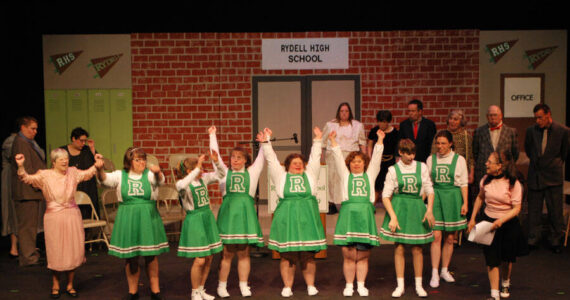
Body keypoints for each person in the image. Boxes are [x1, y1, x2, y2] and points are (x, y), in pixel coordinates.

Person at [16, 148, 104, 298]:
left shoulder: (73, 172)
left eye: (66, 158)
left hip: (71, 215)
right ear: (54, 162)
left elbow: (88, 173)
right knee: (56, 250)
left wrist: (97, 164)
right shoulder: (45, 175)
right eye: (61, 159)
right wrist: (20, 166)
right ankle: (55, 284)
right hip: (54, 217)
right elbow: (27, 178)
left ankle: (70, 285)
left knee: (72, 250)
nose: (65, 161)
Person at [262, 126, 326, 297]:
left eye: (300, 163)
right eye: (294, 163)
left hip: (307, 217)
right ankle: (287, 286)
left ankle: (310, 285)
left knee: (307, 254)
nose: (298, 165)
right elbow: (271, 160)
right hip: (287, 218)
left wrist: (318, 140)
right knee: (288, 255)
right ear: (288, 166)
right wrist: (267, 142)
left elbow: (315, 157)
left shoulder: (311, 174)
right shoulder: (280, 176)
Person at [98, 147, 169, 300]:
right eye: (138, 159)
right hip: (128, 216)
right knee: (131, 256)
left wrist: (157, 172)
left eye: (144, 159)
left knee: (151, 255)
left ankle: (155, 291)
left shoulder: (149, 175)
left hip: (147, 217)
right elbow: (104, 180)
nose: (142, 162)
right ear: (129, 161)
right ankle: (133, 291)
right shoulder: (120, 175)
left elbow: (160, 181)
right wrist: (99, 169)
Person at [210, 128, 265, 298]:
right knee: (227, 253)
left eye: (239, 157)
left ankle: (243, 284)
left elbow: (261, 159)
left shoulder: (252, 173)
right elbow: (215, 158)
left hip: (245, 216)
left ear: (246, 160)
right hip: (229, 216)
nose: (235, 160)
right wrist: (212, 136)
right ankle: (222, 285)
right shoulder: (224, 173)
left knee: (243, 252)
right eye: (233, 157)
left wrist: (264, 142)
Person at [329, 128, 384, 297]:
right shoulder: (345, 175)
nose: (356, 164)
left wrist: (380, 141)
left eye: (359, 161)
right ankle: (348, 285)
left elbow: (376, 159)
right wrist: (332, 141)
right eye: (353, 161)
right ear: (349, 164)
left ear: (364, 164)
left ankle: (361, 285)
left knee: (363, 256)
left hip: (364, 216)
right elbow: (338, 158)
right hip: (348, 216)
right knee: (349, 254)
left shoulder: (370, 175)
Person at [467, 151, 528, 300]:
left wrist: (501, 220)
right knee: (492, 258)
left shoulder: (513, 183)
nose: (486, 164)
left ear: (499, 166)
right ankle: (494, 294)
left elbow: (517, 208)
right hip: (489, 222)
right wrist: (473, 218)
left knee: (506, 258)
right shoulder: (486, 180)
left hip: (507, 223)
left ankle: (505, 282)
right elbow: (480, 198)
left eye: (489, 162)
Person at [379, 139, 435, 298]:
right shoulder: (393, 170)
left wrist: (429, 209)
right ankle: (400, 285)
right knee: (400, 247)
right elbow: (385, 196)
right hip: (400, 208)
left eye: (413, 153)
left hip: (416, 207)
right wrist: (393, 217)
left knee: (418, 248)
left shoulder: (422, 167)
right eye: (408, 153)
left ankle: (418, 285)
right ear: (401, 153)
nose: (411, 157)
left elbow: (429, 190)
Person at [176, 127, 225, 300]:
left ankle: (202, 288)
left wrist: (217, 161)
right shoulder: (183, 184)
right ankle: (194, 290)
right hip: (195, 220)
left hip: (207, 217)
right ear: (190, 171)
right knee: (200, 259)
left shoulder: (203, 179)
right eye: (198, 168)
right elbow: (182, 185)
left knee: (210, 257)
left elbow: (221, 174)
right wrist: (197, 168)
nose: (202, 170)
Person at [426, 130, 468, 288]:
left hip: (452, 198)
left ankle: (445, 269)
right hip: (436, 197)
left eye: (443, 143)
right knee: (436, 236)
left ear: (451, 143)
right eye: (438, 143)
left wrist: (465, 203)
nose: (440, 146)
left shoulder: (459, 160)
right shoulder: (431, 159)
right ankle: (435, 272)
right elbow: (427, 182)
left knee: (450, 238)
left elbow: (464, 183)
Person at [525, 104, 569, 254]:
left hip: (553, 176)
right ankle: (533, 239)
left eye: (540, 117)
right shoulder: (531, 131)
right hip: (536, 175)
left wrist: (552, 164)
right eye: (536, 117)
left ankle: (556, 240)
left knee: (555, 211)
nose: (538, 121)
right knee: (534, 211)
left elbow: (564, 153)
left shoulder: (563, 131)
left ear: (548, 114)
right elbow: (529, 150)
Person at [11, 116, 46, 267]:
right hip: (26, 191)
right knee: (27, 226)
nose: (35, 131)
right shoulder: (21, 143)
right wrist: (39, 183)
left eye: (36, 129)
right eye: (32, 128)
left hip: (30, 192)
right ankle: (28, 258)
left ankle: (30, 254)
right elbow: (27, 168)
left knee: (31, 225)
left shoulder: (26, 142)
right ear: (23, 128)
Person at [322, 102, 367, 214]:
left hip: (350, 156)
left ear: (350, 112)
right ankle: (331, 203)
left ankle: (347, 202)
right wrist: (321, 157)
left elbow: (362, 143)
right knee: (332, 179)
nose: (344, 113)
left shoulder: (357, 125)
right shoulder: (330, 125)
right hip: (333, 156)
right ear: (338, 112)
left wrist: (365, 158)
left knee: (347, 179)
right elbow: (323, 142)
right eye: (342, 111)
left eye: (346, 111)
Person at [472, 105, 519, 207]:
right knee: (483, 202)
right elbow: (475, 153)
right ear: (486, 116)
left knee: (503, 201)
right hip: (484, 172)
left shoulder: (511, 132)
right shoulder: (479, 132)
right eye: (490, 115)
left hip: (504, 174)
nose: (492, 117)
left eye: (495, 115)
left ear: (501, 116)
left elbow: (515, 154)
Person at [60, 127, 99, 219]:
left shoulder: (87, 149)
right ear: (73, 139)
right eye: (81, 140)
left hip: (88, 186)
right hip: (71, 186)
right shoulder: (63, 151)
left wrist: (92, 149)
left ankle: (90, 233)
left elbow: (98, 162)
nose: (83, 143)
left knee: (88, 213)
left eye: (85, 141)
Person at [367, 110, 399, 205]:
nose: (381, 124)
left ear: (388, 121)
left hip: (390, 161)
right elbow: (369, 145)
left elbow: (397, 148)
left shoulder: (395, 133)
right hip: (377, 161)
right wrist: (370, 157)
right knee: (376, 185)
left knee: (390, 184)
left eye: (384, 121)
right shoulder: (374, 131)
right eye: (380, 121)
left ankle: (390, 207)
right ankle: (372, 206)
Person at [2, 132, 18, 258]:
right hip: (11, 181)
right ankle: (14, 247)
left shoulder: (27, 142)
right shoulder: (11, 141)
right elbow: (14, 157)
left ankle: (24, 245)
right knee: (13, 212)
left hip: (20, 179)